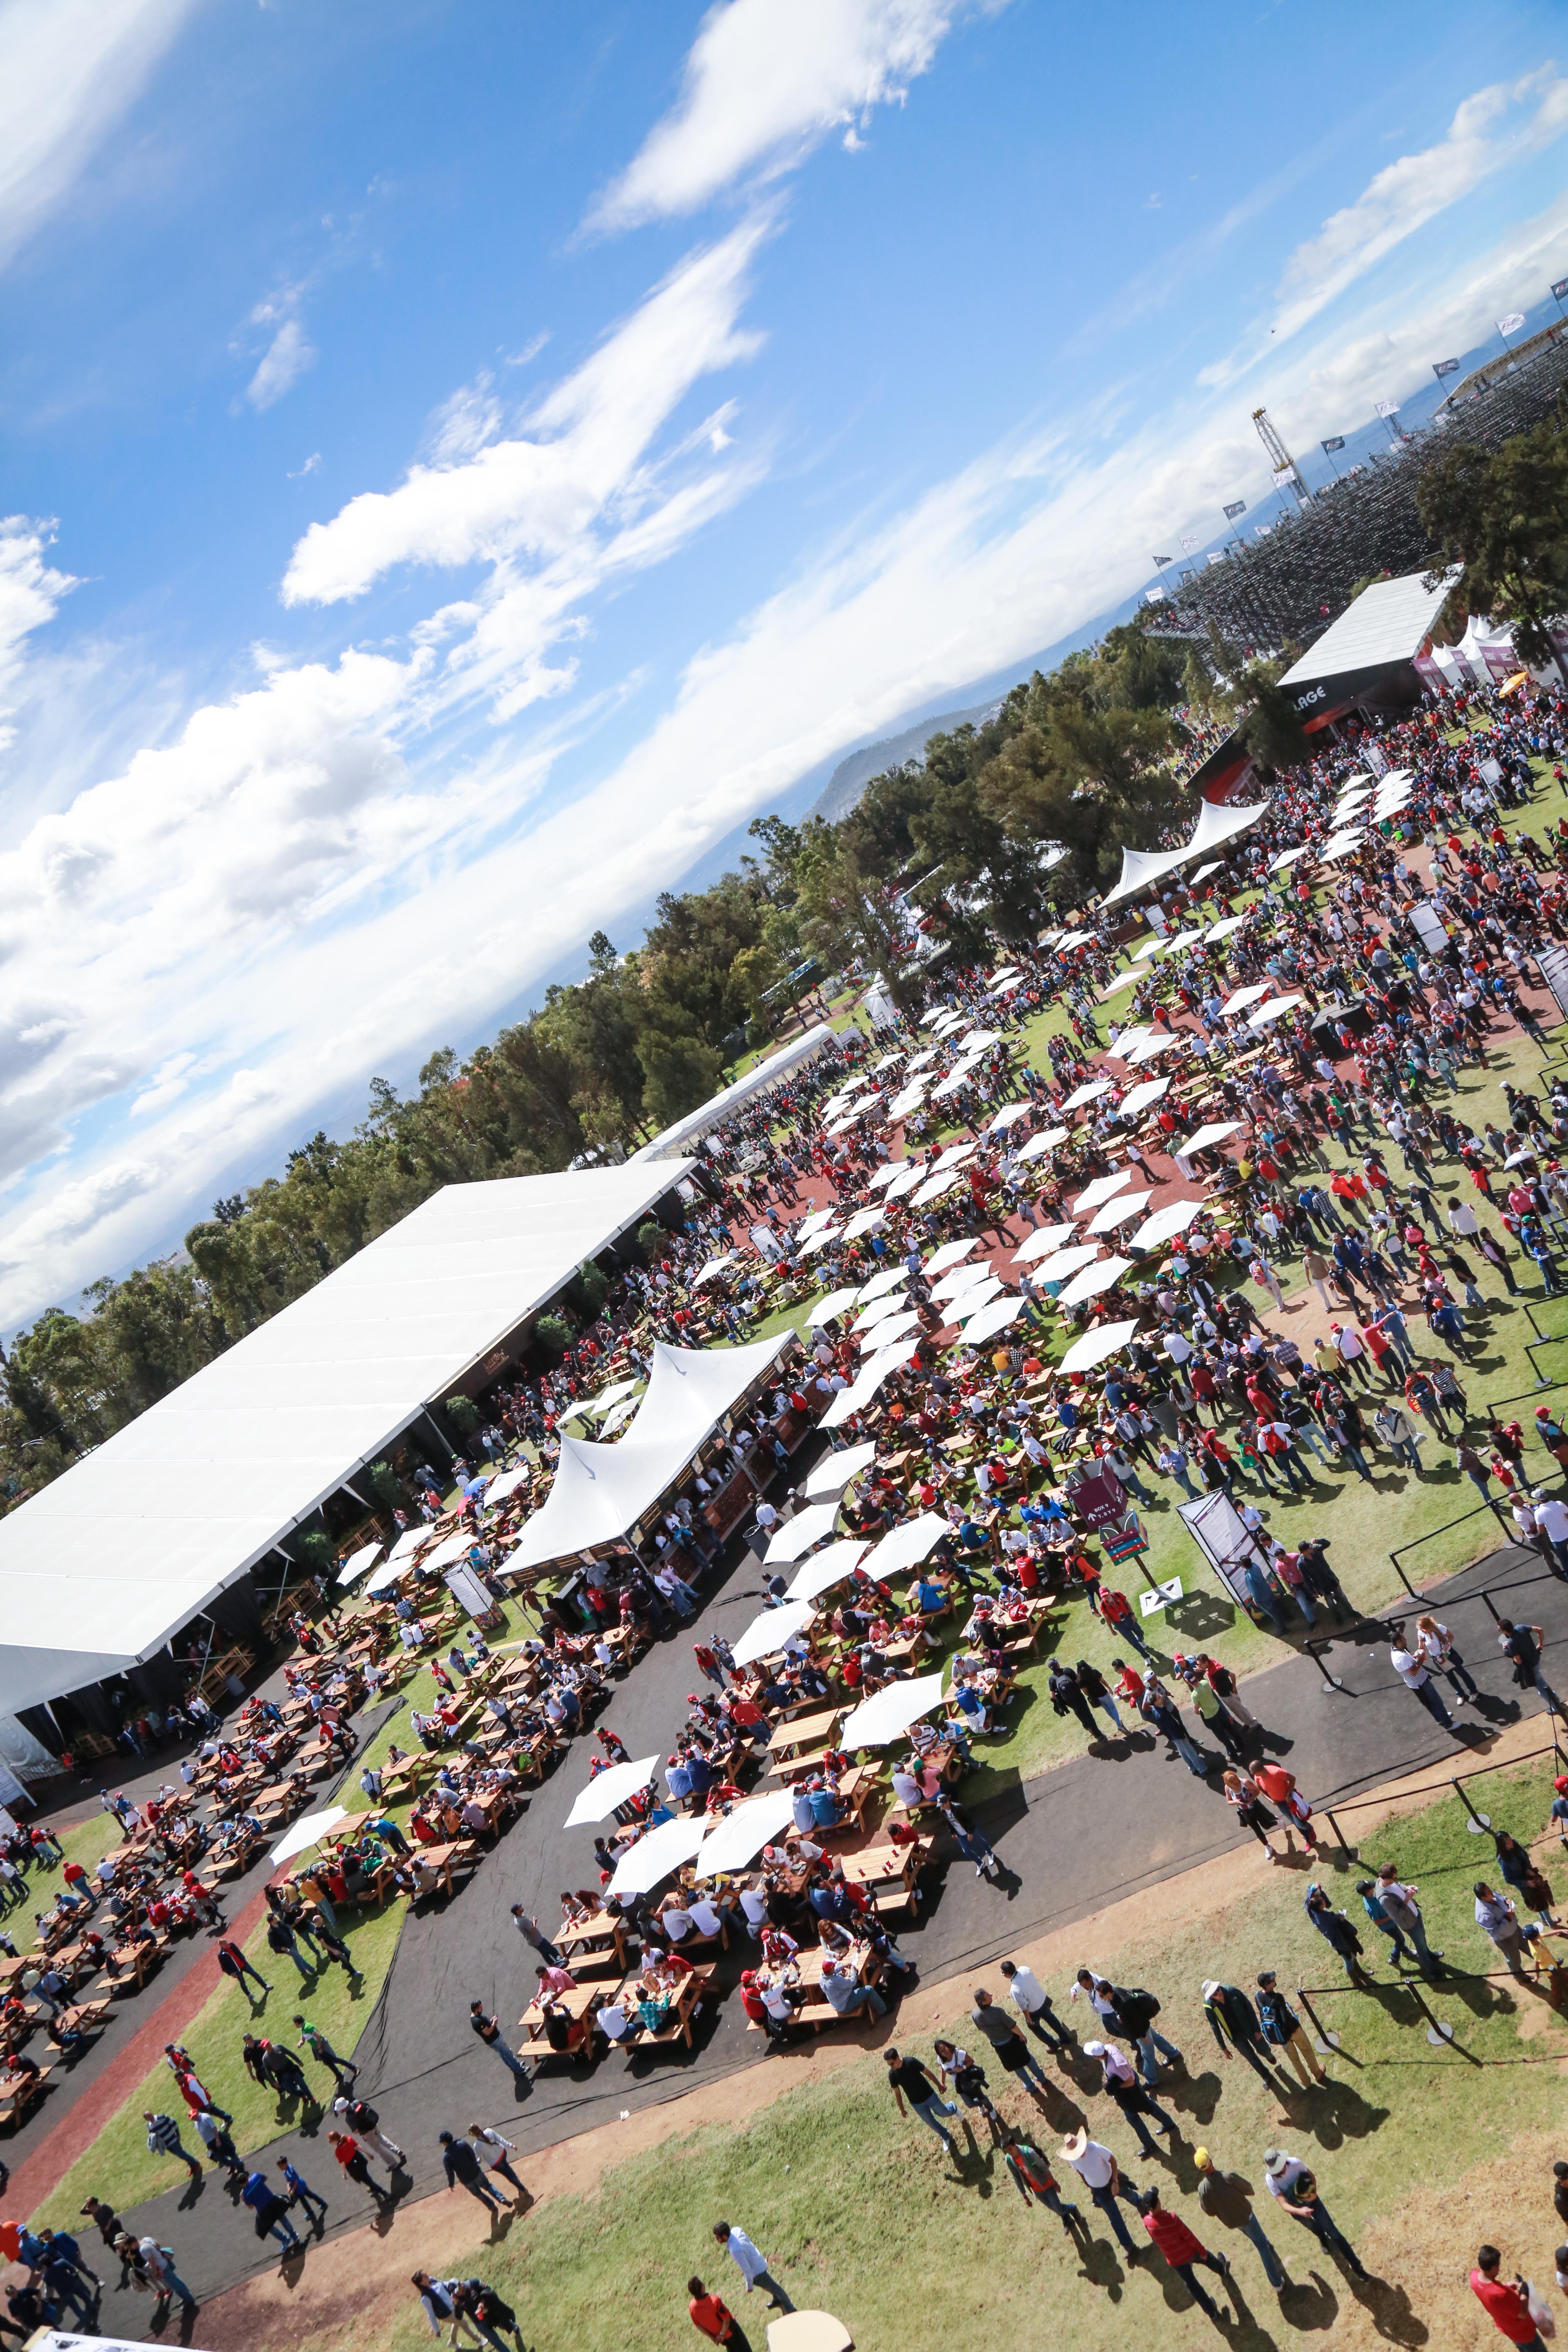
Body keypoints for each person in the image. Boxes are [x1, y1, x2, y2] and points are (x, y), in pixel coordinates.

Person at [1193, 2145, 1290, 2292]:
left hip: (1233, 2222)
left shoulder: (1203, 2189)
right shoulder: (1228, 2176)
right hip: (1247, 2216)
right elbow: (1247, 2188)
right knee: (1262, 2247)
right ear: (1211, 2160)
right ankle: (1277, 2283)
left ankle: (1265, 2243)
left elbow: (1209, 2211)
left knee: (1256, 2237)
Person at [1263, 2149, 1368, 2276]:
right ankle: (1322, 2237)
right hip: (1298, 2211)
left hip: (1313, 2202)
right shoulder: (1271, 2180)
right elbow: (1284, 2204)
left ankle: (1357, 2267)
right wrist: (1300, 2211)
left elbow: (1311, 2176)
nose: (1282, 2168)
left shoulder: (1295, 2163)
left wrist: (1314, 2195)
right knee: (1316, 2229)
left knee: (1334, 2234)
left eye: (1282, 2164)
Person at [1137, 2185, 1232, 2323]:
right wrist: (1202, 2251)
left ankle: (1211, 2311)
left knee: (1192, 2285)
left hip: (1174, 2259)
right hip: (1189, 2252)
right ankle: (1221, 2269)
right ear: (1158, 2203)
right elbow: (1189, 2236)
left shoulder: (1147, 2222)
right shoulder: (1172, 2218)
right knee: (1208, 2258)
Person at [1060, 2127, 1141, 2260]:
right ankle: (1129, 2247)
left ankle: (1144, 2207)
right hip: (1099, 2191)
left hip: (1111, 2180)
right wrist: (1088, 2184)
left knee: (1129, 2195)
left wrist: (1115, 2182)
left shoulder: (1095, 2148)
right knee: (1114, 2218)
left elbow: (1113, 2161)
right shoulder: (1072, 2159)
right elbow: (1080, 2172)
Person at [969, 1984, 1051, 2091]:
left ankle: (1030, 2086)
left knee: (1016, 2066)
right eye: (988, 1996)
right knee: (1027, 2059)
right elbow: (1012, 2026)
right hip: (1012, 2041)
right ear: (984, 2002)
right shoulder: (998, 2012)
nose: (991, 1995)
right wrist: (1022, 2035)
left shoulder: (975, 2014)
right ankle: (1042, 2078)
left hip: (999, 2046)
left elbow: (982, 2029)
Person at [1470, 2243, 1552, 2348]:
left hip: (1509, 2330)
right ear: (1494, 2268)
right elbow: (1523, 2313)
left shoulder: (1474, 2277)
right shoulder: (1501, 2294)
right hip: (1523, 2333)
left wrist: (1506, 2286)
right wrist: (1524, 2293)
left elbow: (1489, 2291)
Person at [1256, 1972, 1326, 2088]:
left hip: (1282, 2038)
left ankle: (1306, 2081)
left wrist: (1284, 2037)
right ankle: (1318, 2074)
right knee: (1307, 2051)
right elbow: (1285, 2020)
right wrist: (1293, 2029)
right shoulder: (1278, 1998)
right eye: (1272, 1980)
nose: (1275, 1980)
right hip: (1293, 2031)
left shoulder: (1258, 1997)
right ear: (1268, 1986)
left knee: (1294, 2059)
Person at [882, 2047, 957, 2154]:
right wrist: (902, 2110)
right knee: (931, 2122)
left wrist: (939, 2085)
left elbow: (927, 2072)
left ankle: (953, 2107)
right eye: (889, 2065)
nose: (891, 2067)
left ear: (898, 2058)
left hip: (929, 2095)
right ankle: (945, 2136)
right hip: (916, 2103)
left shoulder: (911, 2062)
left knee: (943, 2113)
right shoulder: (892, 2075)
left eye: (892, 2064)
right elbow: (897, 2093)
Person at [712, 2222, 793, 2314]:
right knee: (772, 2287)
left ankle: (791, 2309)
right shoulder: (736, 2230)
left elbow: (747, 2270)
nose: (716, 2239)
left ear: (725, 2236)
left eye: (718, 2237)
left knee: (775, 2289)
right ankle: (777, 2299)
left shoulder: (735, 2250)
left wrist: (749, 2286)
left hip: (758, 2273)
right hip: (759, 2261)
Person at [999, 1956, 1068, 2050]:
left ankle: (1053, 2045)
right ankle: (1065, 2038)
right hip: (1043, 2000)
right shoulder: (1025, 1969)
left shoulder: (1014, 1989)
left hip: (1034, 2011)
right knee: (1052, 2019)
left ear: (1007, 1975)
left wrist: (1028, 2018)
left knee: (1035, 2028)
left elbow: (1024, 2007)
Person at [440, 2129, 505, 2212]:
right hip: (476, 2172)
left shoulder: (446, 2157)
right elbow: (472, 2154)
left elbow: (450, 2173)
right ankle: (501, 2198)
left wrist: (451, 2184)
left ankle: (492, 2206)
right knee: (488, 2186)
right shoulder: (462, 2144)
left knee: (478, 2194)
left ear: (445, 2143)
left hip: (466, 2180)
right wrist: (474, 2164)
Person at [241, 2167, 303, 2252]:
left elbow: (251, 2207)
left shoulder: (245, 2194)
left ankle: (285, 2239)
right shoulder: (256, 2177)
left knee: (269, 2228)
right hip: (273, 2201)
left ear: (242, 2184)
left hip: (263, 2211)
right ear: (246, 2177)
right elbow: (265, 2178)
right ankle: (294, 2236)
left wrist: (244, 2201)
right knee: (283, 2219)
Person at [468, 2124, 528, 2205]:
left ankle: (523, 2189)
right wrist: (511, 2145)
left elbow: (481, 2159)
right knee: (509, 2170)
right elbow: (500, 2139)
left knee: (509, 2176)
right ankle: (520, 2186)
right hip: (503, 2153)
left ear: (473, 2134)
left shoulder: (477, 2145)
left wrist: (475, 2162)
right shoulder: (489, 2131)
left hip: (496, 2164)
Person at [687, 2275, 751, 2348]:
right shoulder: (715, 2301)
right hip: (731, 2332)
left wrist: (713, 2337)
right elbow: (727, 2320)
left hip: (721, 2339)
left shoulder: (692, 2307)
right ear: (703, 2288)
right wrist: (721, 2335)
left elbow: (698, 2325)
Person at [469, 2000, 529, 2078]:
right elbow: (487, 2032)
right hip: (495, 2040)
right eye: (480, 2008)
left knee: (504, 2055)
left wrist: (491, 2021)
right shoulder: (477, 2022)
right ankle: (520, 2069)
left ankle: (515, 2067)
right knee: (508, 2053)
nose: (482, 2009)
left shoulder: (475, 2016)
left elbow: (485, 2026)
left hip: (493, 2041)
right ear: (476, 2009)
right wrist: (494, 2024)